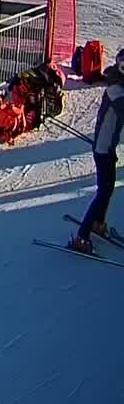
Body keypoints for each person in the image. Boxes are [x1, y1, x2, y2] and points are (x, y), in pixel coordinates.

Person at [69, 50, 124, 253]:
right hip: (103, 148)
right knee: (103, 191)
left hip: (107, 147)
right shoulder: (115, 89)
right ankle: (82, 236)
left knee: (108, 188)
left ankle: (97, 223)